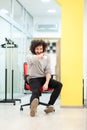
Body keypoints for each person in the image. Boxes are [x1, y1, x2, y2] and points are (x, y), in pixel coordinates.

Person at [26, 39, 63, 117]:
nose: (39, 51)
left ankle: (50, 105)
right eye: (37, 49)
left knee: (59, 85)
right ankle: (33, 108)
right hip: (33, 78)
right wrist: (40, 56)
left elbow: (48, 71)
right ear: (33, 49)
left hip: (43, 78)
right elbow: (32, 60)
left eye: (41, 49)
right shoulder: (29, 56)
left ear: (43, 49)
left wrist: (46, 82)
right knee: (36, 90)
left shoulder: (47, 57)